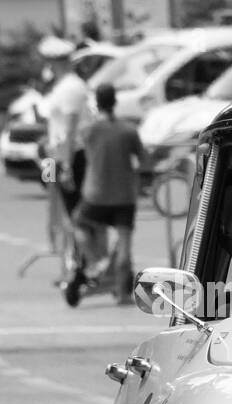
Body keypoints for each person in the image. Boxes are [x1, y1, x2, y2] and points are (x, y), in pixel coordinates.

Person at [66, 84, 149, 305]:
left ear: (97, 103)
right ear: (115, 102)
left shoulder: (89, 130)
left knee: (78, 223)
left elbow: (78, 146)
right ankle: (122, 293)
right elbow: (143, 161)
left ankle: (96, 263)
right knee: (124, 244)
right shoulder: (129, 130)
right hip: (124, 196)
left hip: (96, 195)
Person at [38, 37, 90, 221]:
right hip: (52, 157)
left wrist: (67, 166)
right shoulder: (57, 86)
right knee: (54, 202)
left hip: (69, 155)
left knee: (72, 207)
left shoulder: (70, 87)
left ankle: (76, 249)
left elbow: (70, 129)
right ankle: (58, 245)